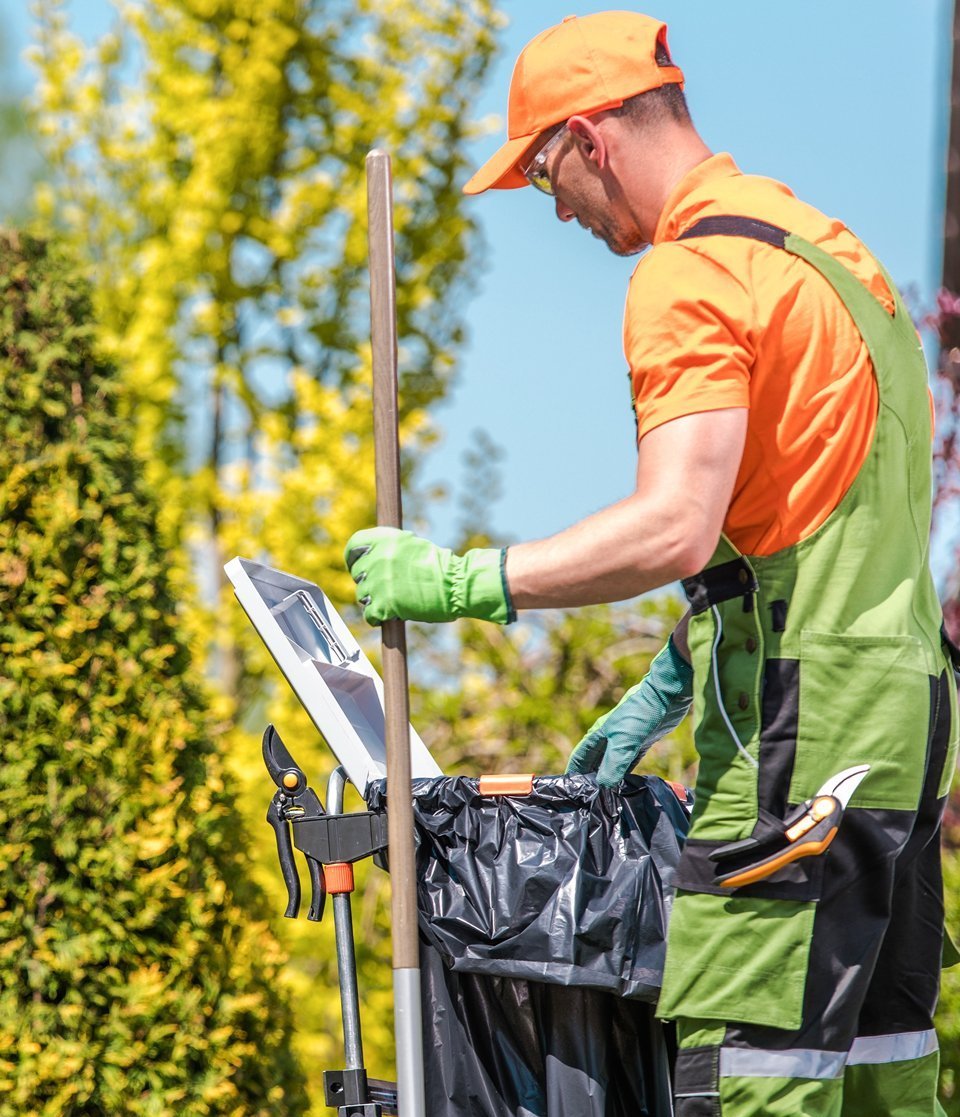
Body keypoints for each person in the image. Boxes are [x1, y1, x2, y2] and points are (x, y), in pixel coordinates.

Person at [344, 11, 958, 1116]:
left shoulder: (690, 275)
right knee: (878, 1086)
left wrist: (467, 581)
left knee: (748, 1086)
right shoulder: (833, 256)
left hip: (799, 739)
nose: (559, 208)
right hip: (901, 728)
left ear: (593, 136)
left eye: (545, 174)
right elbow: (816, 518)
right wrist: (677, 672)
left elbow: (676, 522)